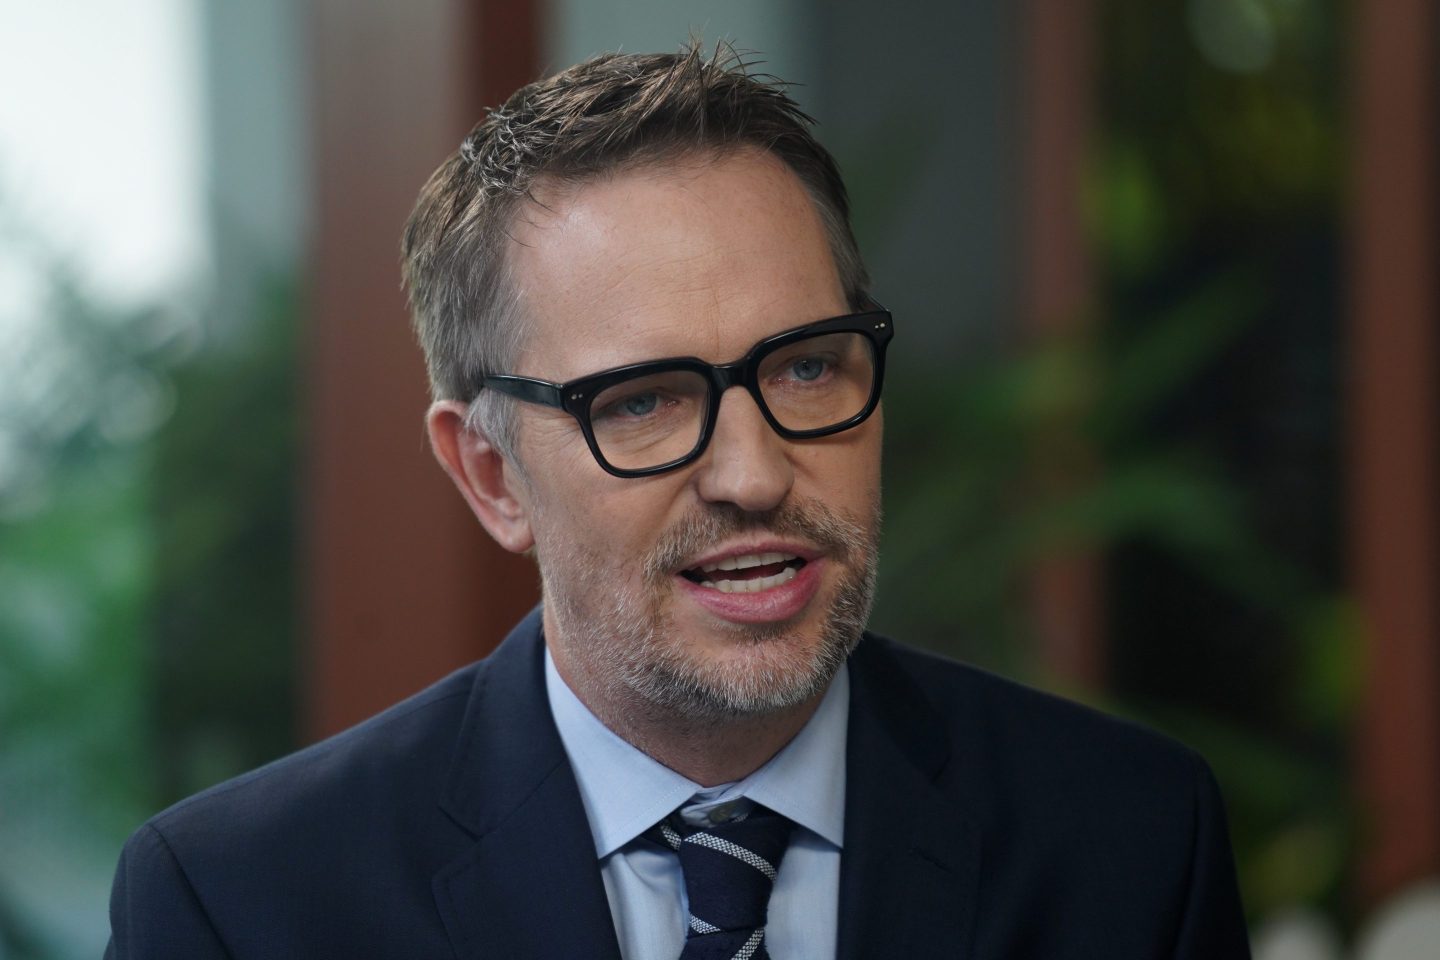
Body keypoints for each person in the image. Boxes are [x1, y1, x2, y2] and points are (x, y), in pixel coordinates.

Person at [105, 46, 1251, 959]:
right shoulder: (242, 905)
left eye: (807, 367)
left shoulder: (1132, 840)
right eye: (643, 401)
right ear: (491, 475)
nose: (753, 474)